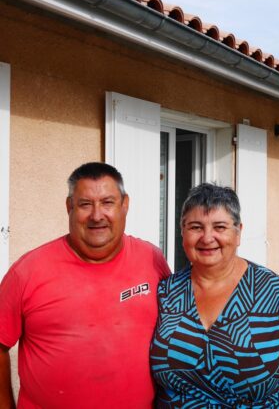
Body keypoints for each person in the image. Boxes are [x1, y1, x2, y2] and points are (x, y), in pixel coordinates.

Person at [0, 162, 170, 409]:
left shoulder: (152, 260)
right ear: (69, 207)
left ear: (125, 205)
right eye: (85, 204)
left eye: (107, 202)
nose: (97, 215)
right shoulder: (28, 270)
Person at [150, 183, 279, 408]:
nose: (207, 237)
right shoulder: (167, 292)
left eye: (220, 227)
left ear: (238, 232)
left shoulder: (271, 290)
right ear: (182, 232)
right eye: (196, 227)